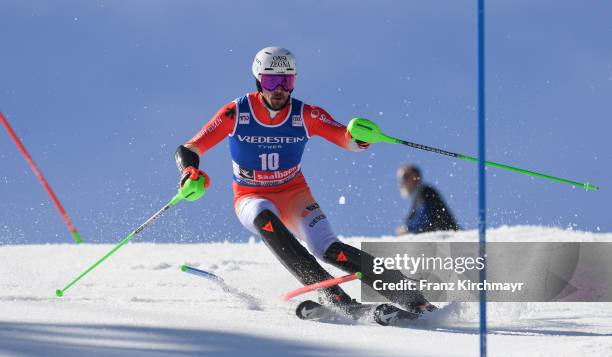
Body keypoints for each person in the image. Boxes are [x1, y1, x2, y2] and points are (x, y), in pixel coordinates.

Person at [175, 47, 433, 316]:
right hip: (251, 196)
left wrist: (361, 137)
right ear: (258, 81)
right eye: (271, 81)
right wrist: (188, 172)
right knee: (266, 219)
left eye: (286, 82)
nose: (279, 90)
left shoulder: (305, 114)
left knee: (329, 249)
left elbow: (344, 138)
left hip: (294, 193)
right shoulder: (237, 112)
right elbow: (190, 148)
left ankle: (413, 297)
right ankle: (337, 299)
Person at [396, 164, 459, 235]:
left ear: (415, 177)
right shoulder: (418, 196)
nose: (402, 182)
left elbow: (425, 215)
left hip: (446, 237)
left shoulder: (425, 191)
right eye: (400, 178)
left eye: (405, 177)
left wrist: (408, 228)